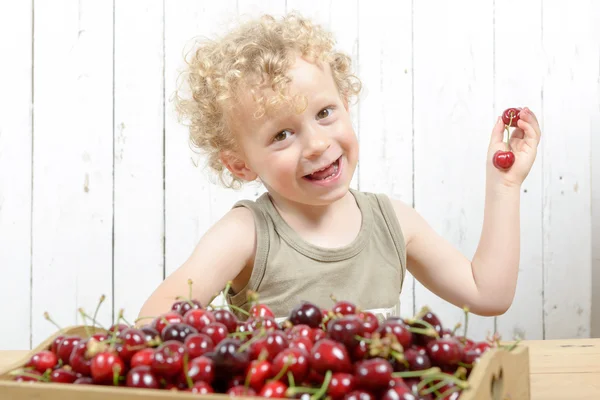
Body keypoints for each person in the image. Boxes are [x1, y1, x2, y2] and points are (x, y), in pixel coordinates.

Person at [138, 12, 541, 323]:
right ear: (240, 164)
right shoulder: (246, 234)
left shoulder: (393, 223)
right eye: (281, 135)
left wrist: (503, 185)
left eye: (325, 112)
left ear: (346, 104)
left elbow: (488, 294)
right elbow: (154, 323)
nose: (316, 143)